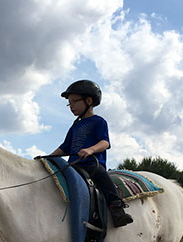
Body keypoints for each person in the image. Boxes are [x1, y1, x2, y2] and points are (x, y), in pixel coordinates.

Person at [49, 80, 133, 227]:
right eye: (69, 103)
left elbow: (105, 142)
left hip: (91, 165)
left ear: (89, 100)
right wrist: (47, 158)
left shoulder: (99, 121)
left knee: (102, 177)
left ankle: (117, 209)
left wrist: (90, 150)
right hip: (72, 166)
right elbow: (65, 147)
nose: (71, 106)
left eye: (74, 101)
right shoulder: (75, 126)